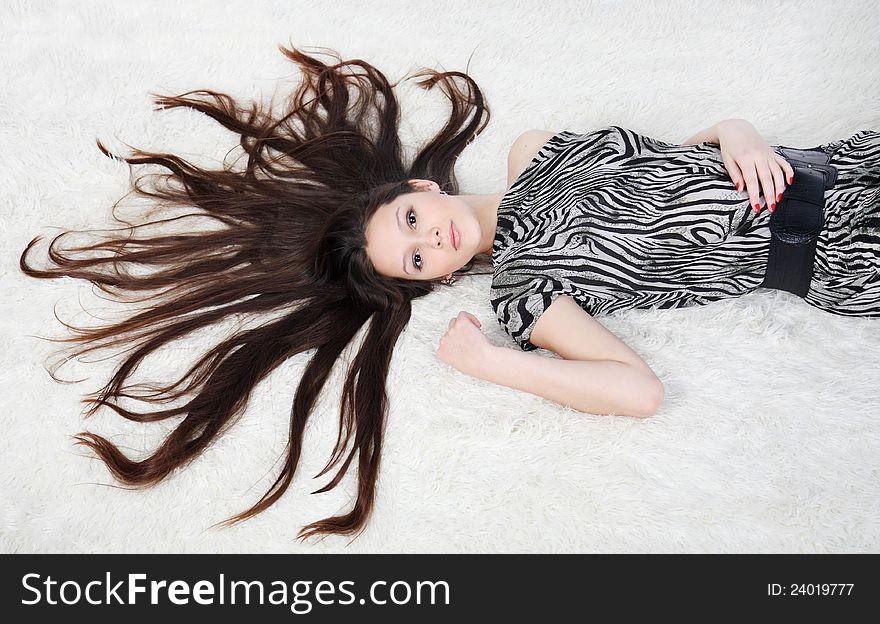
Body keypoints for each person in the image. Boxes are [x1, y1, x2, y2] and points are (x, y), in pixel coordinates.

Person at [19, 45, 880, 543]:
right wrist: (490, 366)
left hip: (846, 162)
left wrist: (739, 132)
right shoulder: (528, 294)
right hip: (839, 253)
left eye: (412, 226)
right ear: (430, 284)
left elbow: (677, 157)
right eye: (419, 263)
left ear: (418, 191)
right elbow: (638, 391)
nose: (435, 243)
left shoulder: (538, 148)